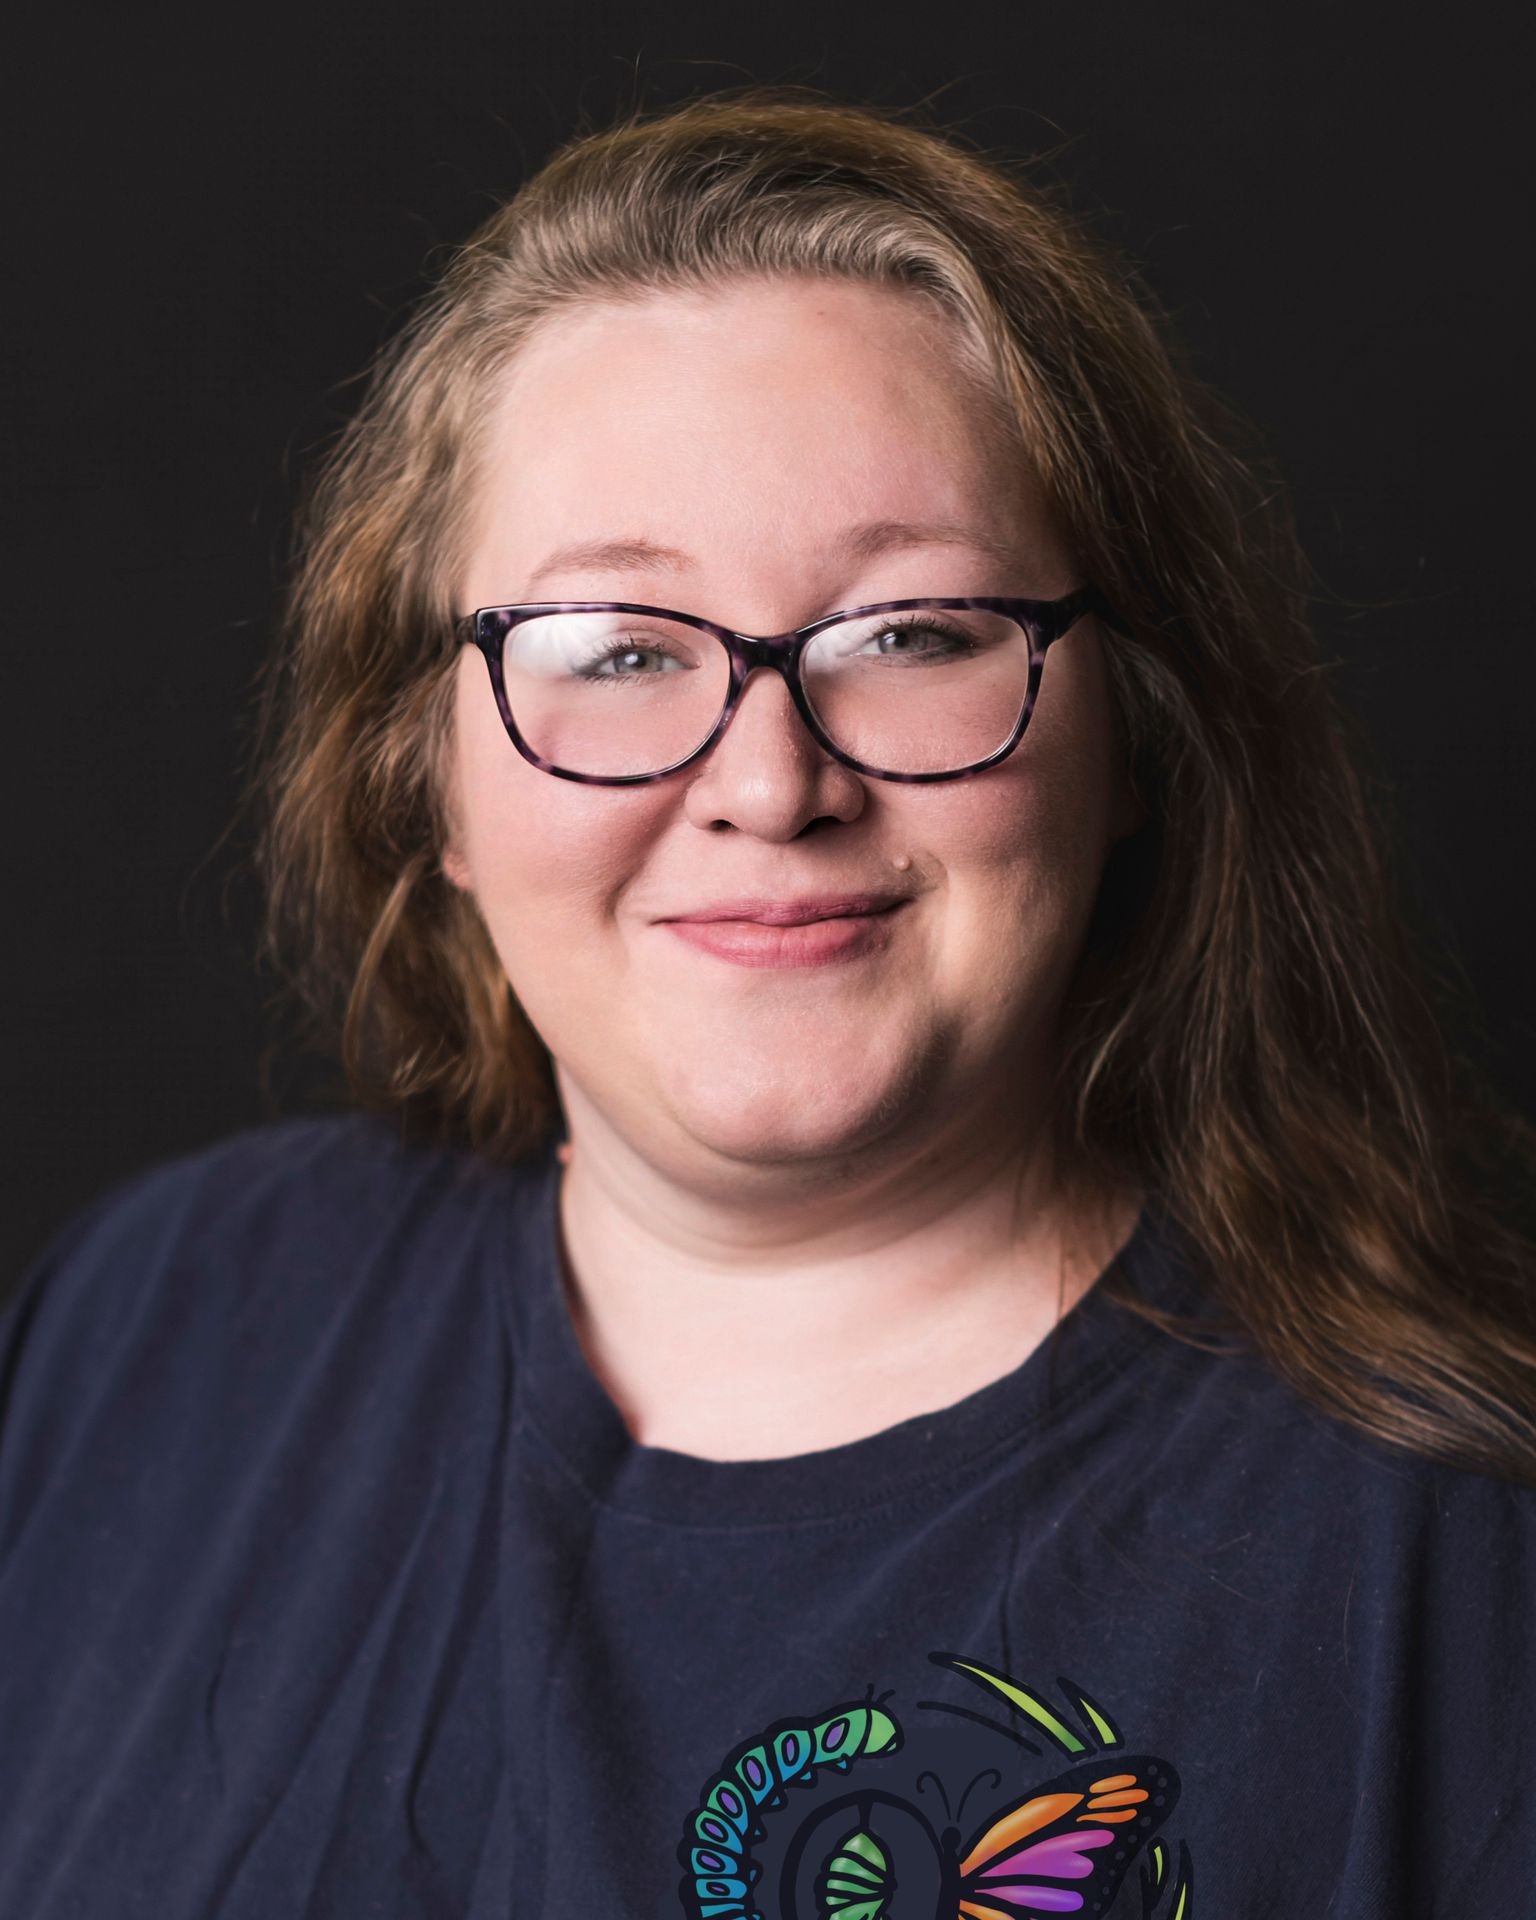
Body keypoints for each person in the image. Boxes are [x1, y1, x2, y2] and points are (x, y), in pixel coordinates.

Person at [2, 87, 1533, 1920]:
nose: (769, 781)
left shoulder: (1454, 1547)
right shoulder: (146, 1326)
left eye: (911, 633)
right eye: (617, 652)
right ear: (428, 780)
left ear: (1136, 733)